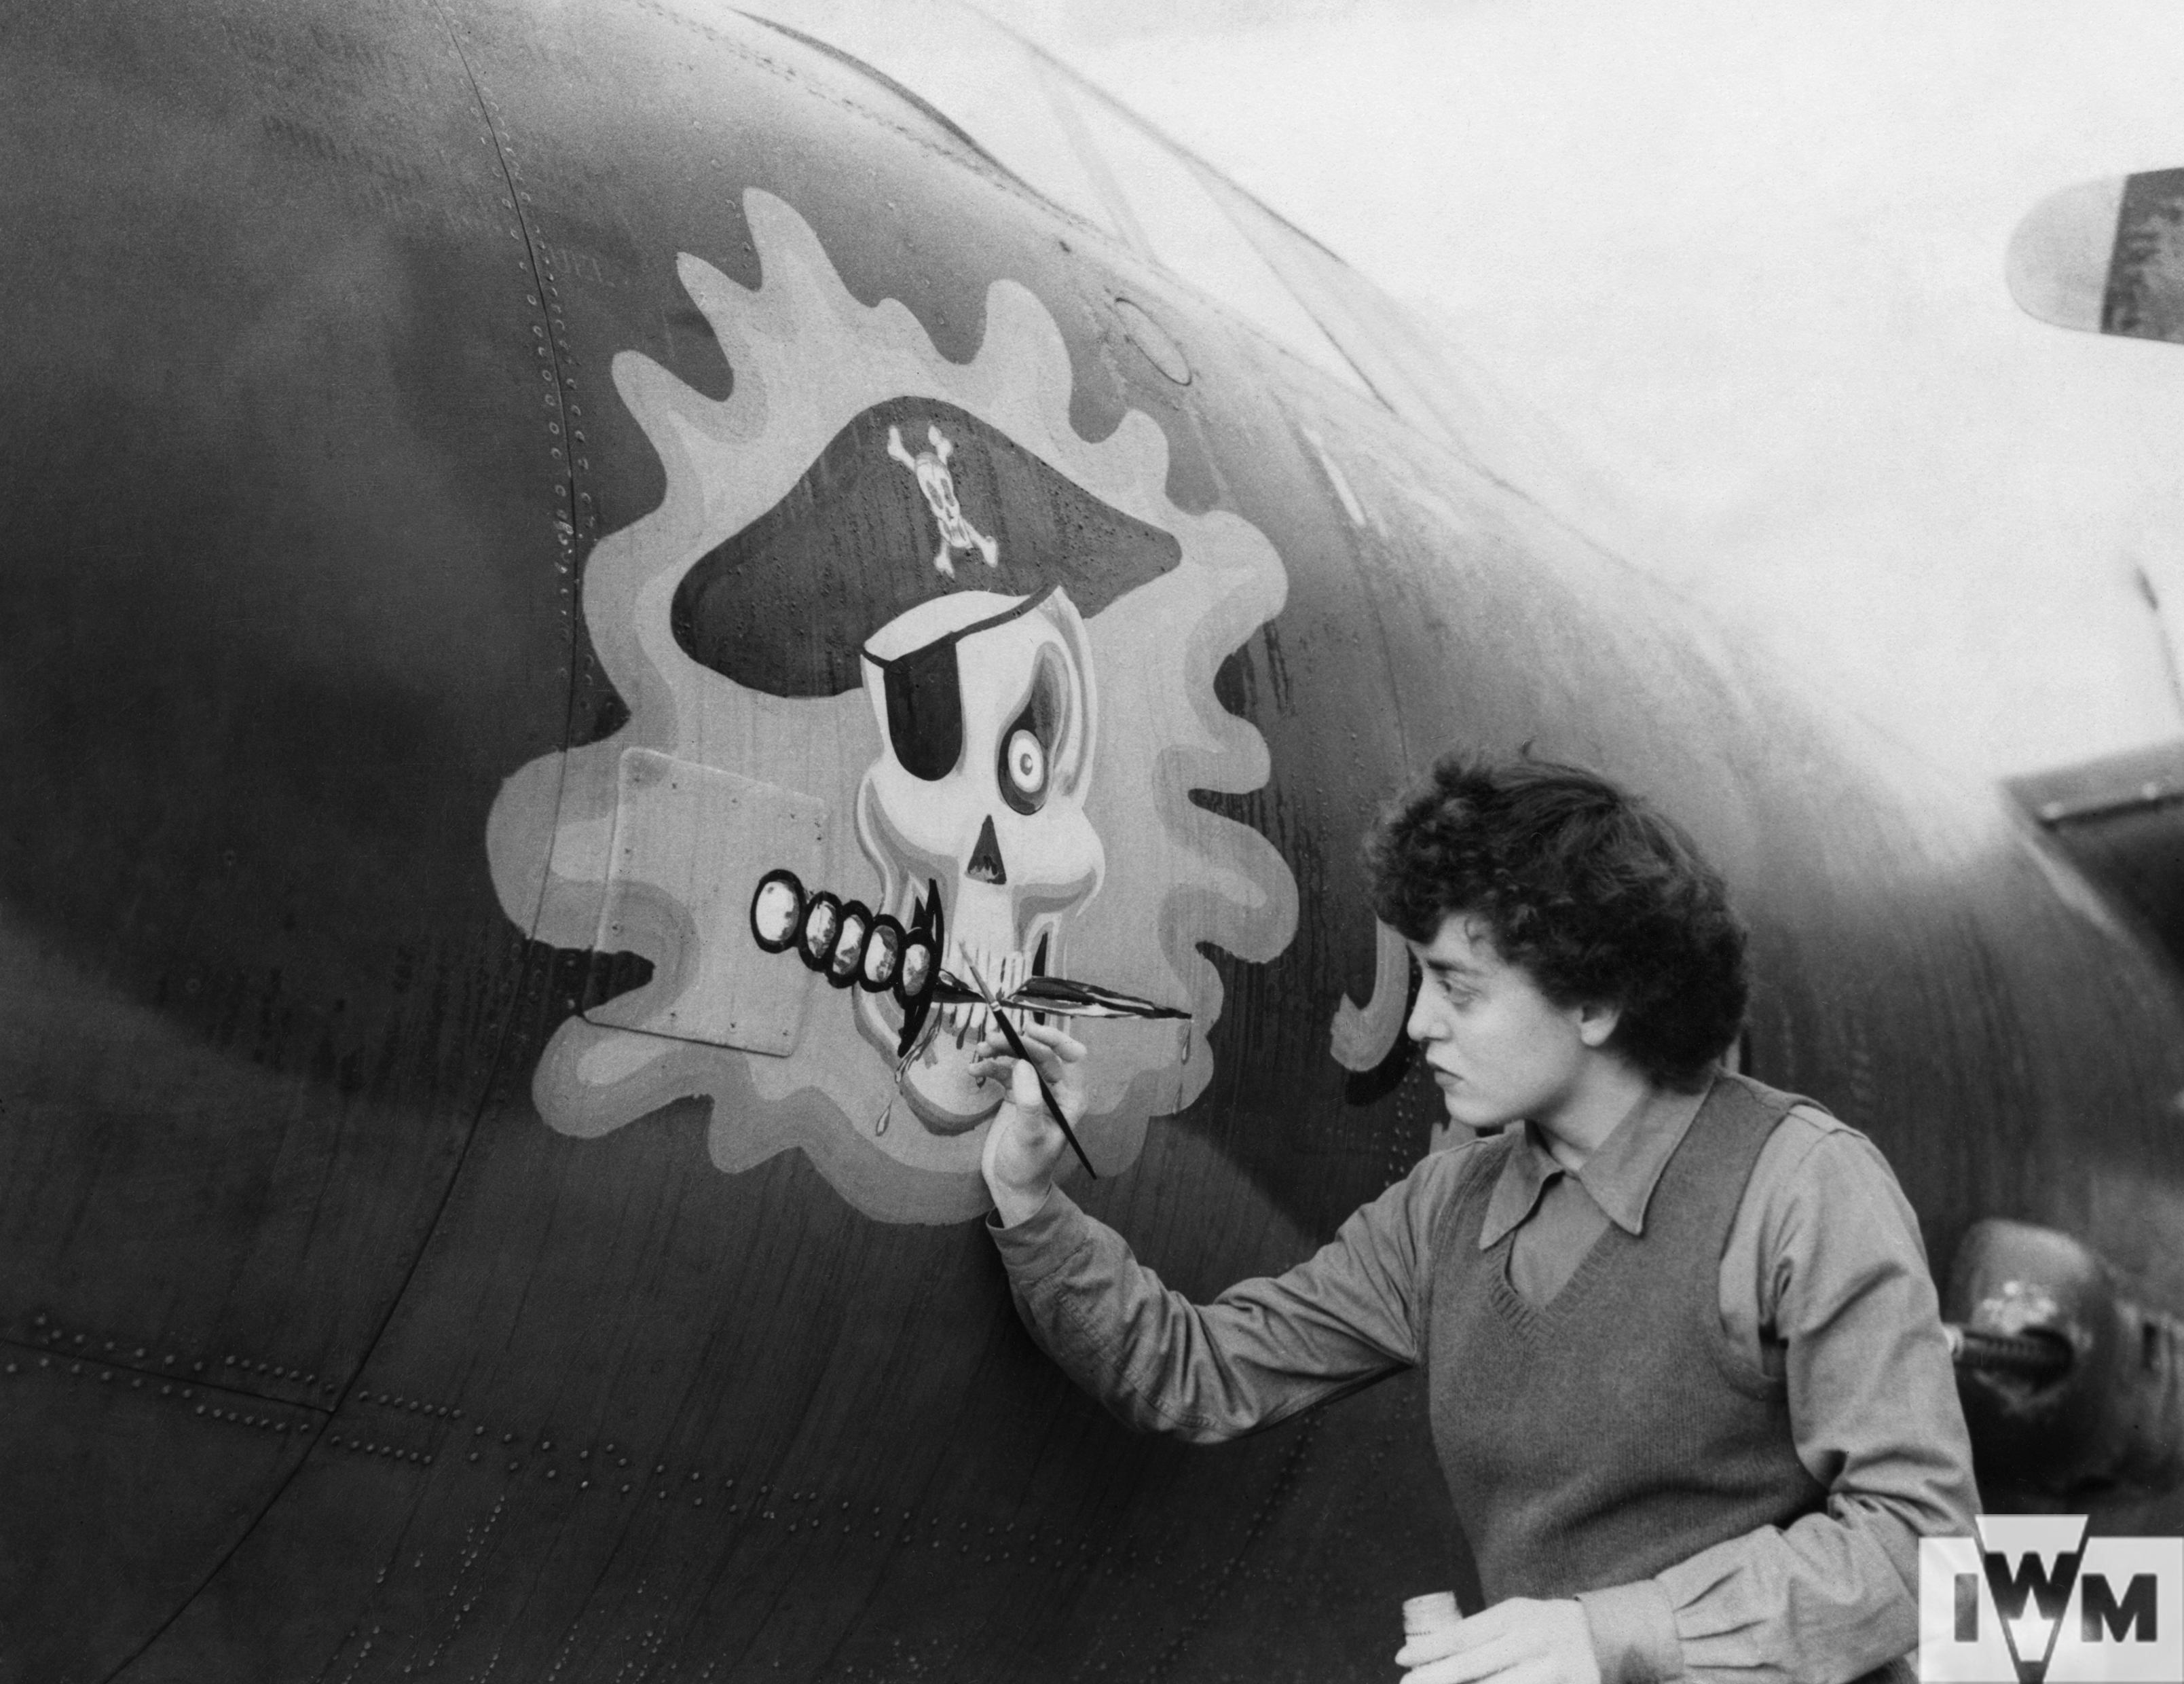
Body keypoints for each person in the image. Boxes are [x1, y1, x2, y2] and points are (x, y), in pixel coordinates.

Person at [973, 754, 1979, 1684]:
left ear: (1596, 1000)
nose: (1419, 1024)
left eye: (1458, 986)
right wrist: (1028, 1194)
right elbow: (1199, 1374)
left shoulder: (1801, 1187)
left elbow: (1927, 1548)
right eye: (1421, 980)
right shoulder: (1444, 1208)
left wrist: (1612, 1638)